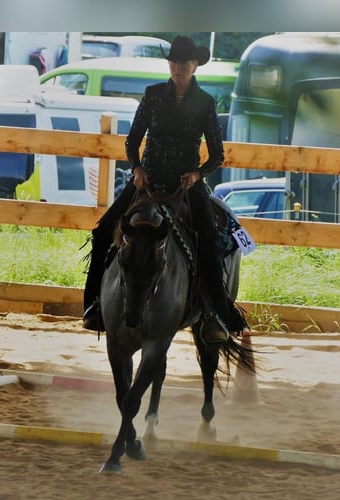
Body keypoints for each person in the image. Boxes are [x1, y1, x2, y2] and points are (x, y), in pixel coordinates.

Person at [82, 35, 246, 344]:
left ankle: (217, 314)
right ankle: (94, 306)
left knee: (209, 240)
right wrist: (137, 167)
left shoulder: (205, 103)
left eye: (183, 63)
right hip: (148, 179)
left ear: (194, 65)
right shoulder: (153, 94)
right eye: (173, 62)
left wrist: (198, 174)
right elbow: (132, 140)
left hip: (186, 184)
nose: (177, 68)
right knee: (103, 230)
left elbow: (217, 154)